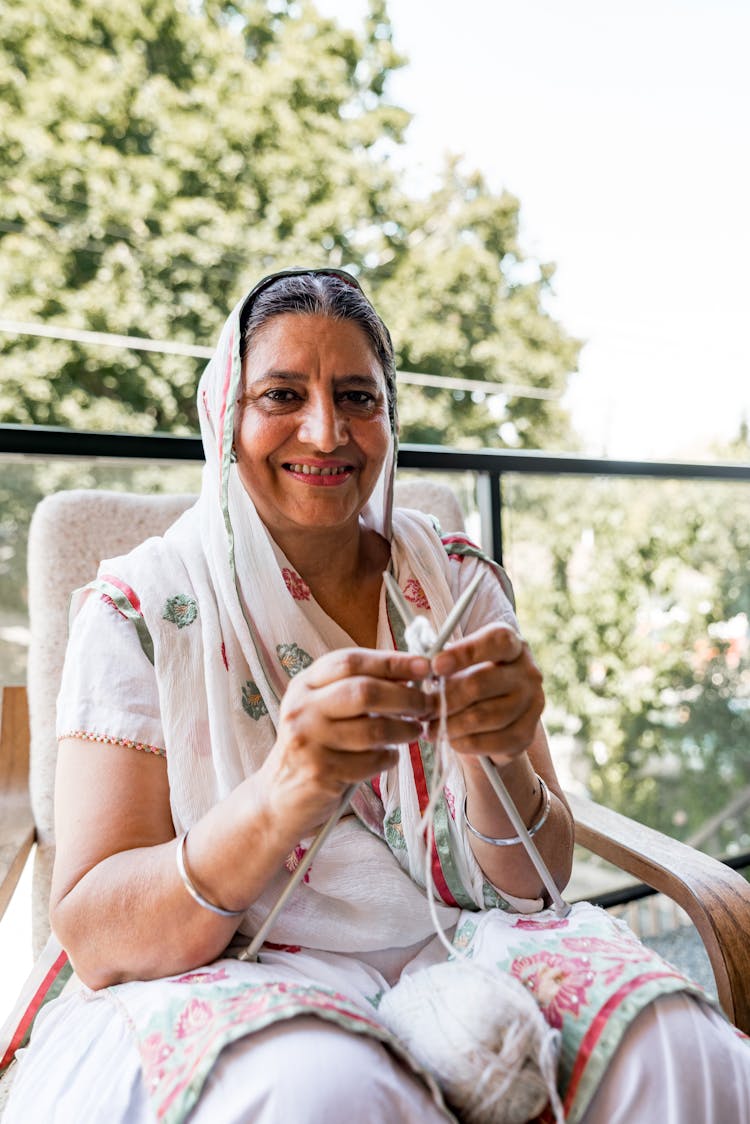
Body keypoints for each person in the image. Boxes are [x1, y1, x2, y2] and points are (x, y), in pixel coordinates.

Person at [6, 269, 749, 1124]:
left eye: (357, 396)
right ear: (225, 417)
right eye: (282, 393)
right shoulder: (141, 611)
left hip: (468, 947)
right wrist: (285, 790)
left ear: (389, 421)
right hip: (238, 964)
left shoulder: (456, 584)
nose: (326, 431)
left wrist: (497, 752)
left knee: (675, 1048)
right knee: (327, 1093)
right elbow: (98, 935)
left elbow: (538, 881)